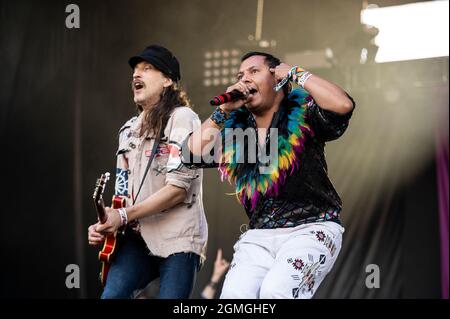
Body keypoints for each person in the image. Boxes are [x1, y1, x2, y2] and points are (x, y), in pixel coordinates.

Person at [183, 51, 355, 299]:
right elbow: (190, 155)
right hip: (259, 234)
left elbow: (343, 105)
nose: (244, 80)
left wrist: (295, 73)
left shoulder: (303, 113)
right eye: (240, 75)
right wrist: (223, 110)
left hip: (312, 227)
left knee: (276, 291)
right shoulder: (237, 131)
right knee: (234, 297)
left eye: (254, 72)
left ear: (276, 78)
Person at [87, 45, 208, 299]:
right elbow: (121, 194)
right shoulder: (127, 130)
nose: (136, 75)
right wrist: (107, 221)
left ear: (167, 80)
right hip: (136, 239)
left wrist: (122, 214)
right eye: (134, 70)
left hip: (177, 238)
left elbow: (178, 190)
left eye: (147, 68)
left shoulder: (183, 118)